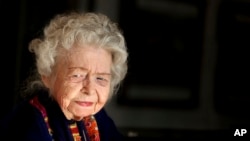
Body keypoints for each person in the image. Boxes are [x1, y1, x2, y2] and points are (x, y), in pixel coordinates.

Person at [0, 11, 128, 141]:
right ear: (47, 76)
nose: (89, 90)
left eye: (100, 78)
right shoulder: (27, 125)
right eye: (77, 75)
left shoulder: (96, 117)